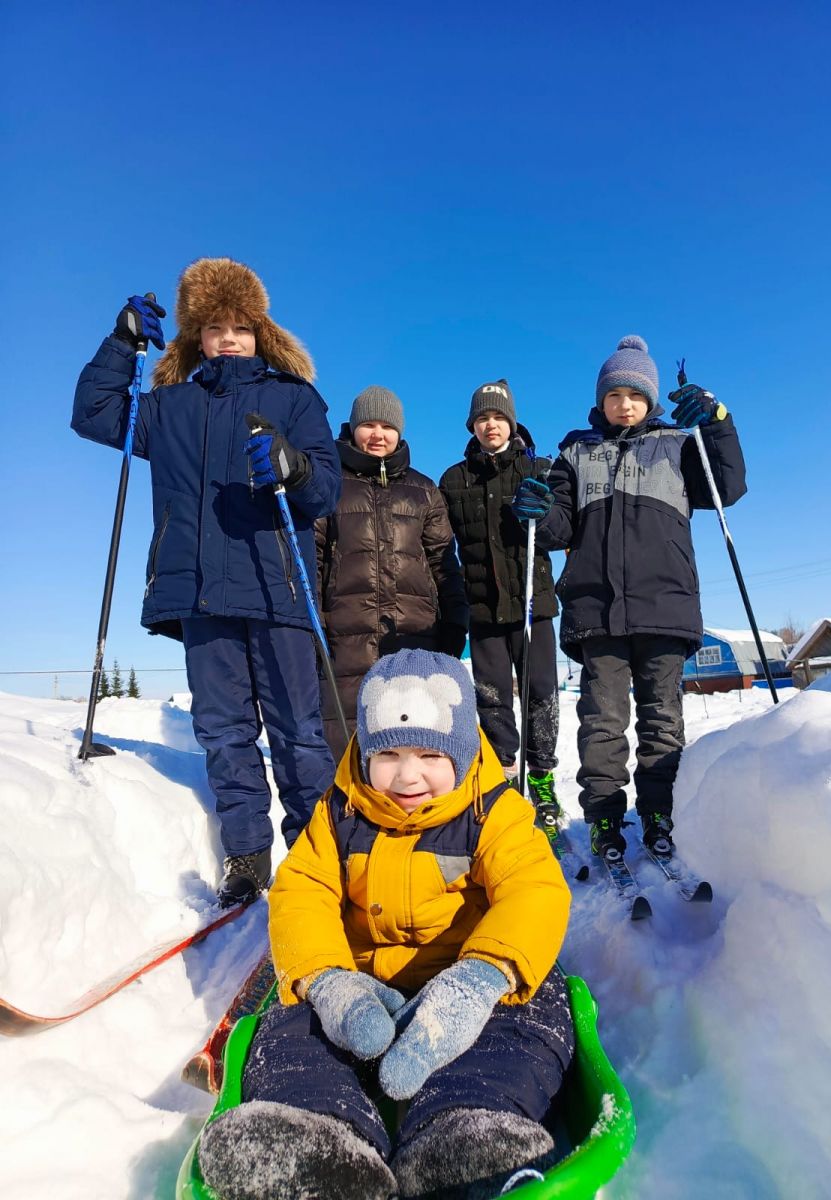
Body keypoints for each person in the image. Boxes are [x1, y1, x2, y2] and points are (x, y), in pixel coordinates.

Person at [197, 649, 573, 1200]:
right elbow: (302, 890)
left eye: (430, 754)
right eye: (389, 754)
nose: (408, 774)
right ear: (364, 750)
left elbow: (533, 888)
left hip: (467, 983)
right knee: (292, 1028)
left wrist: (484, 977)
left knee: (529, 1014)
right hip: (363, 987)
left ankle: (464, 1133)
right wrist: (326, 980)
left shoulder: (493, 811)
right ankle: (319, 1143)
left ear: (463, 751)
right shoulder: (340, 812)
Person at [72, 258, 341, 907]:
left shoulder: (293, 399)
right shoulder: (170, 407)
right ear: (196, 336)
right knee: (223, 730)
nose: (228, 339)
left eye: (240, 328)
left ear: (260, 333)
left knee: (299, 730)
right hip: (200, 593)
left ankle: (317, 853)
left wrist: (294, 465)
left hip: (277, 589)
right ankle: (246, 854)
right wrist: (121, 343)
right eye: (214, 328)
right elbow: (94, 413)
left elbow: (326, 490)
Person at [512, 335, 747, 860]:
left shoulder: (679, 445)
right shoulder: (575, 452)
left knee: (662, 719)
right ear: (601, 400)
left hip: (665, 608)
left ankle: (661, 811)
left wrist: (717, 422)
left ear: (651, 401)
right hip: (597, 612)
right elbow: (556, 528)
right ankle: (604, 817)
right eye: (615, 395)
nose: (625, 405)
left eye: (636, 396)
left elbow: (727, 486)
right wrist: (533, 511)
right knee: (603, 721)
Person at [315, 386, 469, 760]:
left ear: (399, 431)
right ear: (352, 428)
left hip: (414, 636)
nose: (378, 434)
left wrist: (454, 623)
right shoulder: (329, 484)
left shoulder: (423, 490)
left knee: (410, 738)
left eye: (387, 426)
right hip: (344, 638)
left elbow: (443, 562)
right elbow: (312, 560)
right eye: (368, 425)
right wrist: (313, 627)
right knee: (346, 744)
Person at [439, 379, 561, 831]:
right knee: (491, 699)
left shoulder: (538, 468)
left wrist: (544, 512)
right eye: (482, 418)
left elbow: (562, 530)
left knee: (541, 693)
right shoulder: (454, 479)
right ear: (472, 425)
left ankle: (542, 780)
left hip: (532, 605)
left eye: (498, 417)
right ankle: (505, 779)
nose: (491, 425)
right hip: (483, 609)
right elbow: (442, 544)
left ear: (512, 422)